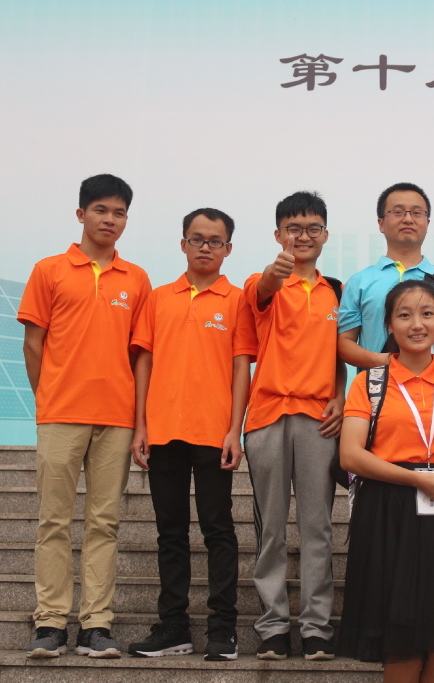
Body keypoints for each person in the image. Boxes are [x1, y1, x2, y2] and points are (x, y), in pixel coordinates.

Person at [18, 174, 151, 658]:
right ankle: (51, 622)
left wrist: (140, 421)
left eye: (119, 212)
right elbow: (33, 343)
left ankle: (96, 624)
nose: (109, 219)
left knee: (104, 523)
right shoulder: (49, 270)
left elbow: (141, 355)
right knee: (53, 521)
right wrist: (49, 396)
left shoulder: (136, 279)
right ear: (81, 214)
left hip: (116, 417)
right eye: (100, 210)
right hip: (60, 414)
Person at [338, 279, 434, 683]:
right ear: (389, 324)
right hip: (388, 514)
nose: (417, 324)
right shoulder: (369, 382)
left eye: (427, 314)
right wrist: (416, 480)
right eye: (404, 315)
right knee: (400, 640)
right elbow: (350, 455)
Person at [126, 208, 254, 660]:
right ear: (183, 244)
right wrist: (141, 424)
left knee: (219, 529)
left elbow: (242, 367)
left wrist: (235, 430)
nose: (205, 247)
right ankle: (173, 628)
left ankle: (223, 629)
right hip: (163, 430)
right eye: (196, 239)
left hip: (214, 432)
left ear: (228, 249)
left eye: (215, 241)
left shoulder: (238, 301)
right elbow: (144, 361)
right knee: (170, 532)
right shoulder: (158, 298)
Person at [243, 191, 345, 661]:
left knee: (317, 526)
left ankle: (317, 627)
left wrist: (340, 396)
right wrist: (276, 270)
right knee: (271, 528)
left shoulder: (335, 291)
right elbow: (264, 288)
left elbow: (338, 353)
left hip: (318, 420)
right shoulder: (262, 282)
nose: (303, 236)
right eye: (294, 228)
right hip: (266, 416)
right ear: (278, 234)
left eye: (312, 228)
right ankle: (273, 627)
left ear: (325, 234)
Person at [338, 182, 434, 369]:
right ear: (381, 223)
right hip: (378, 385)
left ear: (427, 223)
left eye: (417, 213)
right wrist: (390, 363)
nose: (408, 219)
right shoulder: (359, 282)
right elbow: (345, 342)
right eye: (398, 212)